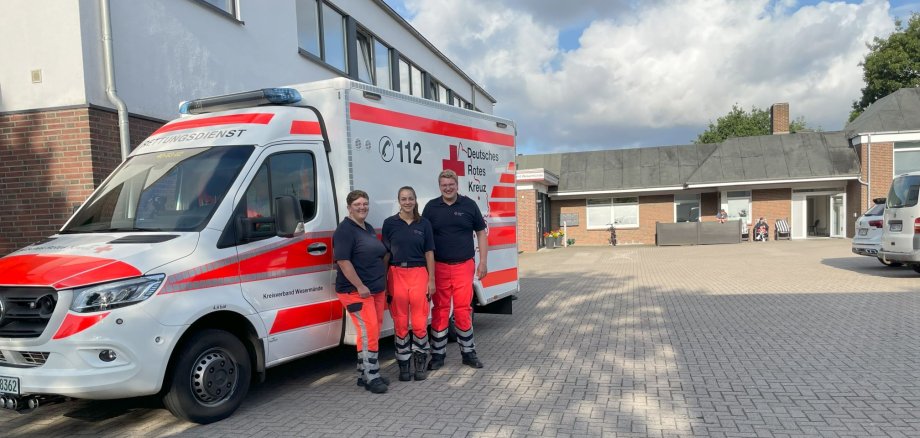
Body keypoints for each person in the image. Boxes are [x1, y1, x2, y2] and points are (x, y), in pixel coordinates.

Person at [422, 169, 488, 370]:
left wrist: (483, 261)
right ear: (439, 186)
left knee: (462, 310)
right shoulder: (431, 207)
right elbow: (424, 239)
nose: (448, 188)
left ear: (457, 185)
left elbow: (481, 233)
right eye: (444, 185)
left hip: (463, 266)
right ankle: (438, 356)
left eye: (451, 184)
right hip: (440, 267)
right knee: (440, 311)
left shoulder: (469, 205)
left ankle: (468, 353)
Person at [333, 190, 389, 394]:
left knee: (370, 331)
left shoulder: (366, 228)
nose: (362, 207)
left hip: (375, 289)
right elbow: (343, 261)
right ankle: (372, 377)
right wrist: (359, 286)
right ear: (349, 207)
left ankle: (364, 372)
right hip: (356, 291)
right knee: (369, 332)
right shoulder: (344, 230)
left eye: (365, 203)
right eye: (357, 204)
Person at [382, 186, 436, 382]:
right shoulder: (390, 223)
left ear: (415, 200)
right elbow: (386, 254)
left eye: (410, 198)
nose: (407, 202)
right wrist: (383, 280)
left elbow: (429, 252)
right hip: (396, 274)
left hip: (419, 273)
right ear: (399, 201)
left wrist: (431, 280)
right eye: (403, 199)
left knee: (420, 322)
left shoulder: (424, 224)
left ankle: (420, 364)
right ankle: (404, 366)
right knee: (401, 323)